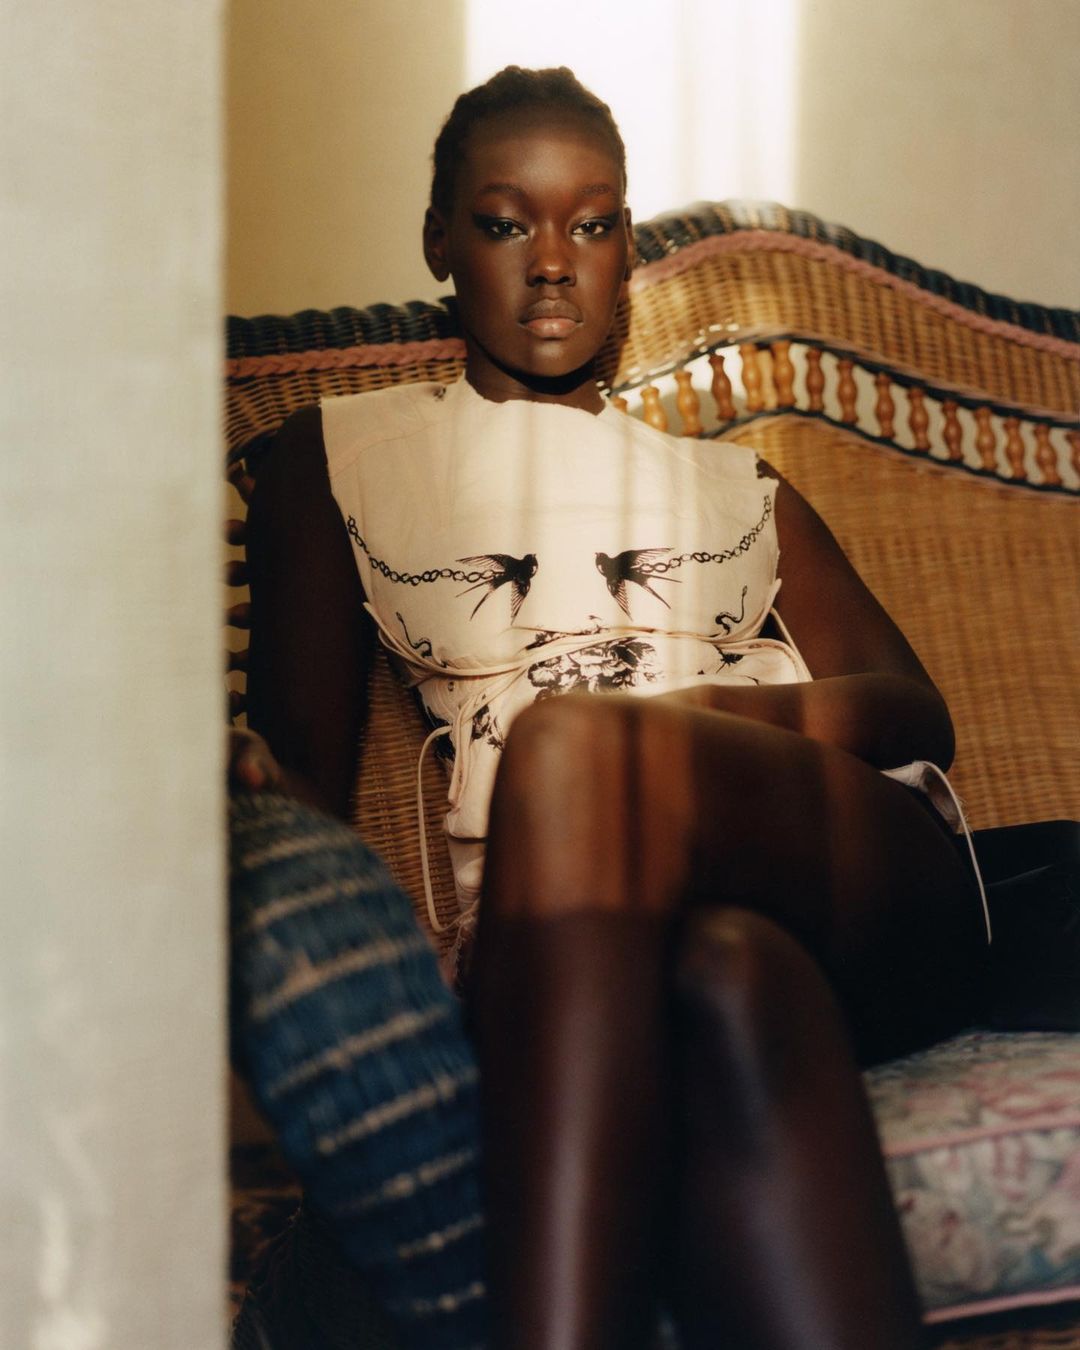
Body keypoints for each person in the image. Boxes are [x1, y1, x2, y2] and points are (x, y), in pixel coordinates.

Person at [230, 65, 1001, 1350]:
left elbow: (916, 715)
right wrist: (235, 787)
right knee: (729, 986)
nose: (551, 264)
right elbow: (302, 763)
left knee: (577, 747)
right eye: (504, 223)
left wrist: (703, 723)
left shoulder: (730, 481)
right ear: (439, 241)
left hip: (869, 882)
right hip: (616, 936)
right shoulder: (338, 457)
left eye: (590, 225)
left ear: (624, 250)